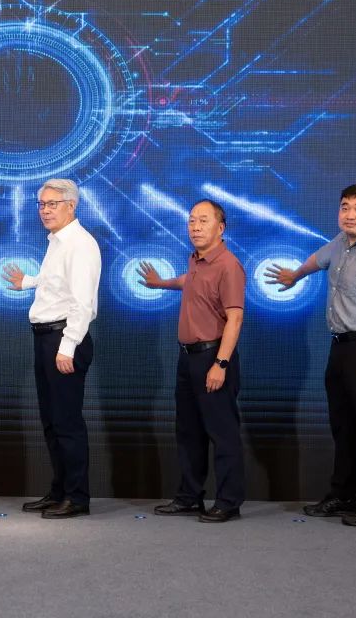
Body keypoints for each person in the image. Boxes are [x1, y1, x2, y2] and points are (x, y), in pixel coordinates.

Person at [265, 184, 356, 527]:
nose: (350, 214)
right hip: (340, 347)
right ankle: (343, 495)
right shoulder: (341, 243)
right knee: (344, 429)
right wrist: (295, 274)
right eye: (345, 207)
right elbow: (318, 259)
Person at [138, 199, 246, 523]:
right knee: (188, 432)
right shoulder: (197, 260)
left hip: (213, 357)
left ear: (220, 227)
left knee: (222, 434)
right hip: (187, 359)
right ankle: (189, 497)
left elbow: (235, 319)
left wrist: (221, 364)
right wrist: (161, 283)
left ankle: (228, 502)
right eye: (192, 221)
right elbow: (190, 281)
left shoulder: (229, 265)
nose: (195, 227)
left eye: (203, 221)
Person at [2, 179, 101, 519]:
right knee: (52, 421)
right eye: (42, 204)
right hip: (46, 338)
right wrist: (28, 282)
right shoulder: (57, 242)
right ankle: (59, 491)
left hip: (64, 339)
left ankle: (77, 497)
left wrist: (67, 346)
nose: (45, 210)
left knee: (67, 423)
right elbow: (57, 282)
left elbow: (83, 304)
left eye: (52, 204)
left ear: (72, 205)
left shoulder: (80, 244)